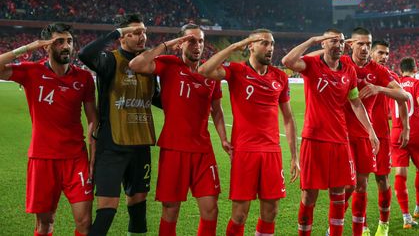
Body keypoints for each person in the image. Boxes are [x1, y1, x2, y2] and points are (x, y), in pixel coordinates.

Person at [129, 23, 231, 236]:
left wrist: (223, 139)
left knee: (211, 209)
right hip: (173, 148)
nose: (197, 45)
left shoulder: (210, 72)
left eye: (201, 40)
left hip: (203, 151)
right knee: (171, 209)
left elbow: (217, 111)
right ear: (181, 43)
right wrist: (167, 45)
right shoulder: (169, 64)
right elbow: (136, 64)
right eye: (191, 40)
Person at [198, 29, 300, 236]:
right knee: (240, 215)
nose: (270, 48)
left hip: (272, 152)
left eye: (272, 43)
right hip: (245, 151)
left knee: (271, 211)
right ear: (251, 46)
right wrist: (236, 45)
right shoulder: (236, 71)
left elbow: (288, 118)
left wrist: (294, 157)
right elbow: (204, 70)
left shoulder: (280, 77)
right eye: (264, 43)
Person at [0, 23, 97, 236]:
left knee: (85, 223)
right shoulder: (31, 71)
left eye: (69, 41)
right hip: (42, 159)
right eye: (59, 42)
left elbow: (93, 120)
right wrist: (27, 48)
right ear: (46, 46)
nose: (66, 46)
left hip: (75, 159)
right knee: (45, 224)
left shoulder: (84, 78)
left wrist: (92, 158)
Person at [282, 28, 379, 236]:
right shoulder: (312, 65)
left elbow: (356, 103)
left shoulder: (349, 71)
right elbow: (287, 61)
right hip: (313, 139)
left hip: (339, 140)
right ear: (323, 44)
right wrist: (313, 39)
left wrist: (371, 131)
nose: (338, 45)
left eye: (341, 41)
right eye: (333, 41)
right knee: (309, 197)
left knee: (338, 194)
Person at [78, 14, 161, 236]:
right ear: (123, 37)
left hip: (141, 144)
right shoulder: (109, 60)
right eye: (135, 32)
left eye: (143, 32)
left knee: (138, 206)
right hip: (111, 145)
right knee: (107, 210)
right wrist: (115, 33)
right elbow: (84, 54)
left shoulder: (148, 65)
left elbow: (159, 99)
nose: (141, 37)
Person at [340, 29, 408, 236]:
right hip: (350, 133)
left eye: (386, 54)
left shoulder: (383, 74)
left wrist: (405, 127)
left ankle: (383, 225)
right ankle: (359, 225)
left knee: (380, 180)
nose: (383, 57)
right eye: (380, 52)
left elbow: (403, 97)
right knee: (352, 183)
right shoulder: (344, 63)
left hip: (379, 133)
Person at [390, 57, 419, 228]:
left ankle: (406, 217)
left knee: (400, 173)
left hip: (396, 132)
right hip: (415, 133)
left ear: (401, 70)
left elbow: (389, 112)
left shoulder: (393, 85)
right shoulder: (418, 83)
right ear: (415, 68)